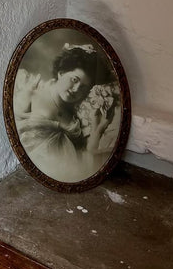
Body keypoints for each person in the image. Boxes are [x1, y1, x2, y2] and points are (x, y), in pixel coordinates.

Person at [13, 44, 115, 182]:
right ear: (61, 73)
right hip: (30, 174)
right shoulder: (32, 95)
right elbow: (14, 132)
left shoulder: (77, 115)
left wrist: (99, 129)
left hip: (66, 175)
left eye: (83, 87)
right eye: (74, 80)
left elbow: (83, 153)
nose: (76, 89)